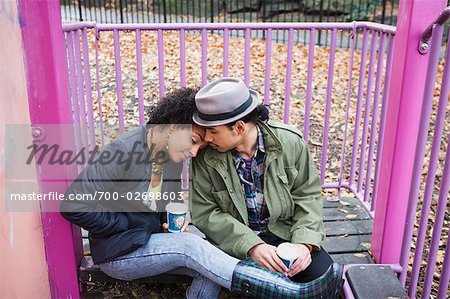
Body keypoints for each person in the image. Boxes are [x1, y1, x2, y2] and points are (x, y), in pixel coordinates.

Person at [61, 87, 332, 299]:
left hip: (148, 243)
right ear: (170, 127)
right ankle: (285, 291)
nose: (194, 153)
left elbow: (152, 202)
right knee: (192, 247)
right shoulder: (123, 151)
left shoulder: (170, 154)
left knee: (211, 260)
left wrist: (164, 223)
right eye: (193, 142)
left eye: (200, 146)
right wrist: (125, 224)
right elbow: (73, 204)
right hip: (119, 252)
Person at [190, 78, 344, 297]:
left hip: (285, 236)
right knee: (262, 291)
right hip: (235, 245)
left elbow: (307, 196)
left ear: (239, 127)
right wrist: (252, 246)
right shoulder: (205, 158)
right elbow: (205, 213)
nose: (206, 137)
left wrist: (304, 244)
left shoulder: (290, 143)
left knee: (325, 280)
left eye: (213, 130)